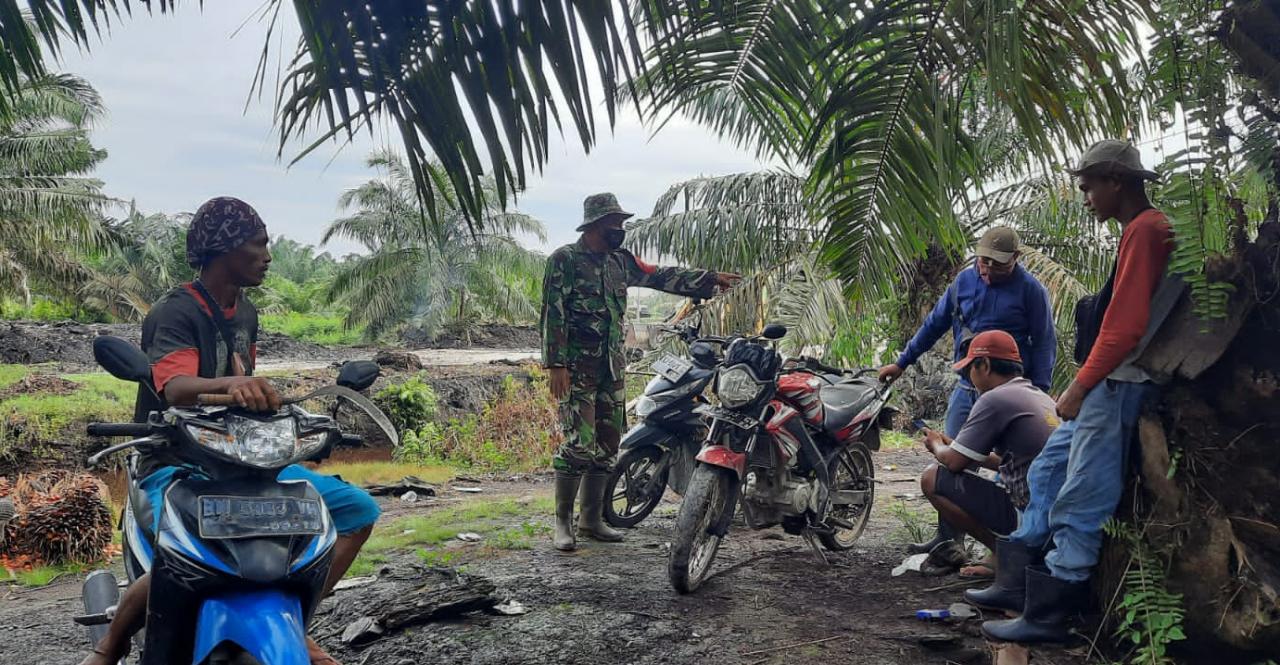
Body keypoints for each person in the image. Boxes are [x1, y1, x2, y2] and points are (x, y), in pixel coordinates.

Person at [81, 197, 378, 665]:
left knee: (356, 510)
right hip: (177, 460)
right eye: (257, 244)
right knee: (180, 552)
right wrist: (234, 384)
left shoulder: (246, 311)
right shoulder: (176, 311)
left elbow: (241, 372)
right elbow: (177, 387)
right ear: (223, 248)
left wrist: (265, 397)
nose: (268, 255)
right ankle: (110, 646)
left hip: (240, 462)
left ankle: (296, 624)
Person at [980, 140, 1181, 644]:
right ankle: (1016, 584)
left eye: (1089, 187)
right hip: (1110, 380)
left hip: (1121, 382)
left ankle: (1051, 616)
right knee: (1048, 469)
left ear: (1116, 180)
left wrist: (1077, 387)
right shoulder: (1139, 231)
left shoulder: (1148, 230)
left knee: (1083, 494)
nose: (1086, 197)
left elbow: (1124, 327)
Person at [541, 193, 740, 551]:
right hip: (577, 369)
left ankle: (591, 520)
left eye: (621, 224)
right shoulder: (565, 261)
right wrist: (555, 365)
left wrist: (708, 280)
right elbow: (552, 314)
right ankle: (562, 523)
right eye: (613, 224)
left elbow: (660, 275)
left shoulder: (621, 261)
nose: (619, 229)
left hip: (611, 367)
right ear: (594, 225)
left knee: (607, 443)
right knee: (578, 445)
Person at [879, 226, 1056, 558]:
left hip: (1010, 392)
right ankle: (950, 540)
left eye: (997, 264)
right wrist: (902, 363)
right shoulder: (964, 281)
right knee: (955, 465)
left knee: (1012, 468)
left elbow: (1045, 343)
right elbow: (935, 323)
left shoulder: (1032, 291)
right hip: (967, 387)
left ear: (1016, 259)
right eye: (983, 261)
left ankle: (1008, 548)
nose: (987, 270)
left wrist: (1037, 394)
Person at [918, 330, 1059, 578]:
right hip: (1054, 517)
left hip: (1030, 518)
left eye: (970, 369)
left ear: (984, 365)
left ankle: (1007, 557)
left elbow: (952, 463)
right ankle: (1003, 556)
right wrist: (957, 446)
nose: (969, 377)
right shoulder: (1038, 395)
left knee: (931, 477)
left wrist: (937, 446)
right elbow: (1009, 463)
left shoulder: (995, 398)